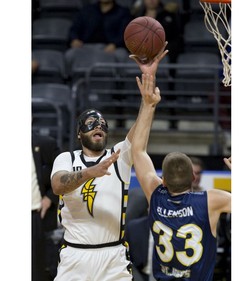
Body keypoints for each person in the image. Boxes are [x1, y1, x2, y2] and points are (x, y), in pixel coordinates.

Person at [50, 44, 169, 281]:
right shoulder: (67, 158)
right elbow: (58, 186)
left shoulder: (118, 157)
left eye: (103, 124)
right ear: (79, 133)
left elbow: (139, 137)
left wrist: (148, 101)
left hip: (113, 256)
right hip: (75, 256)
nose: (98, 126)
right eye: (91, 123)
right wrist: (90, 172)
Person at [131, 72, 231, 280]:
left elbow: (138, 150)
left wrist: (148, 105)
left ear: (163, 180)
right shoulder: (211, 200)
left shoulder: (155, 193)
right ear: (194, 178)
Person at [32, 132, 61, 281]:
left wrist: (50, 198)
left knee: (38, 270)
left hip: (36, 216)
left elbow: (62, 175)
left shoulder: (45, 144)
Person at [66, 0, 132, 63]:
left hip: (113, 48)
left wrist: (115, 45)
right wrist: (75, 39)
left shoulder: (123, 12)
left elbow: (125, 33)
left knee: (121, 55)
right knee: (70, 54)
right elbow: (74, 29)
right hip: (86, 47)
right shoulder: (86, 10)